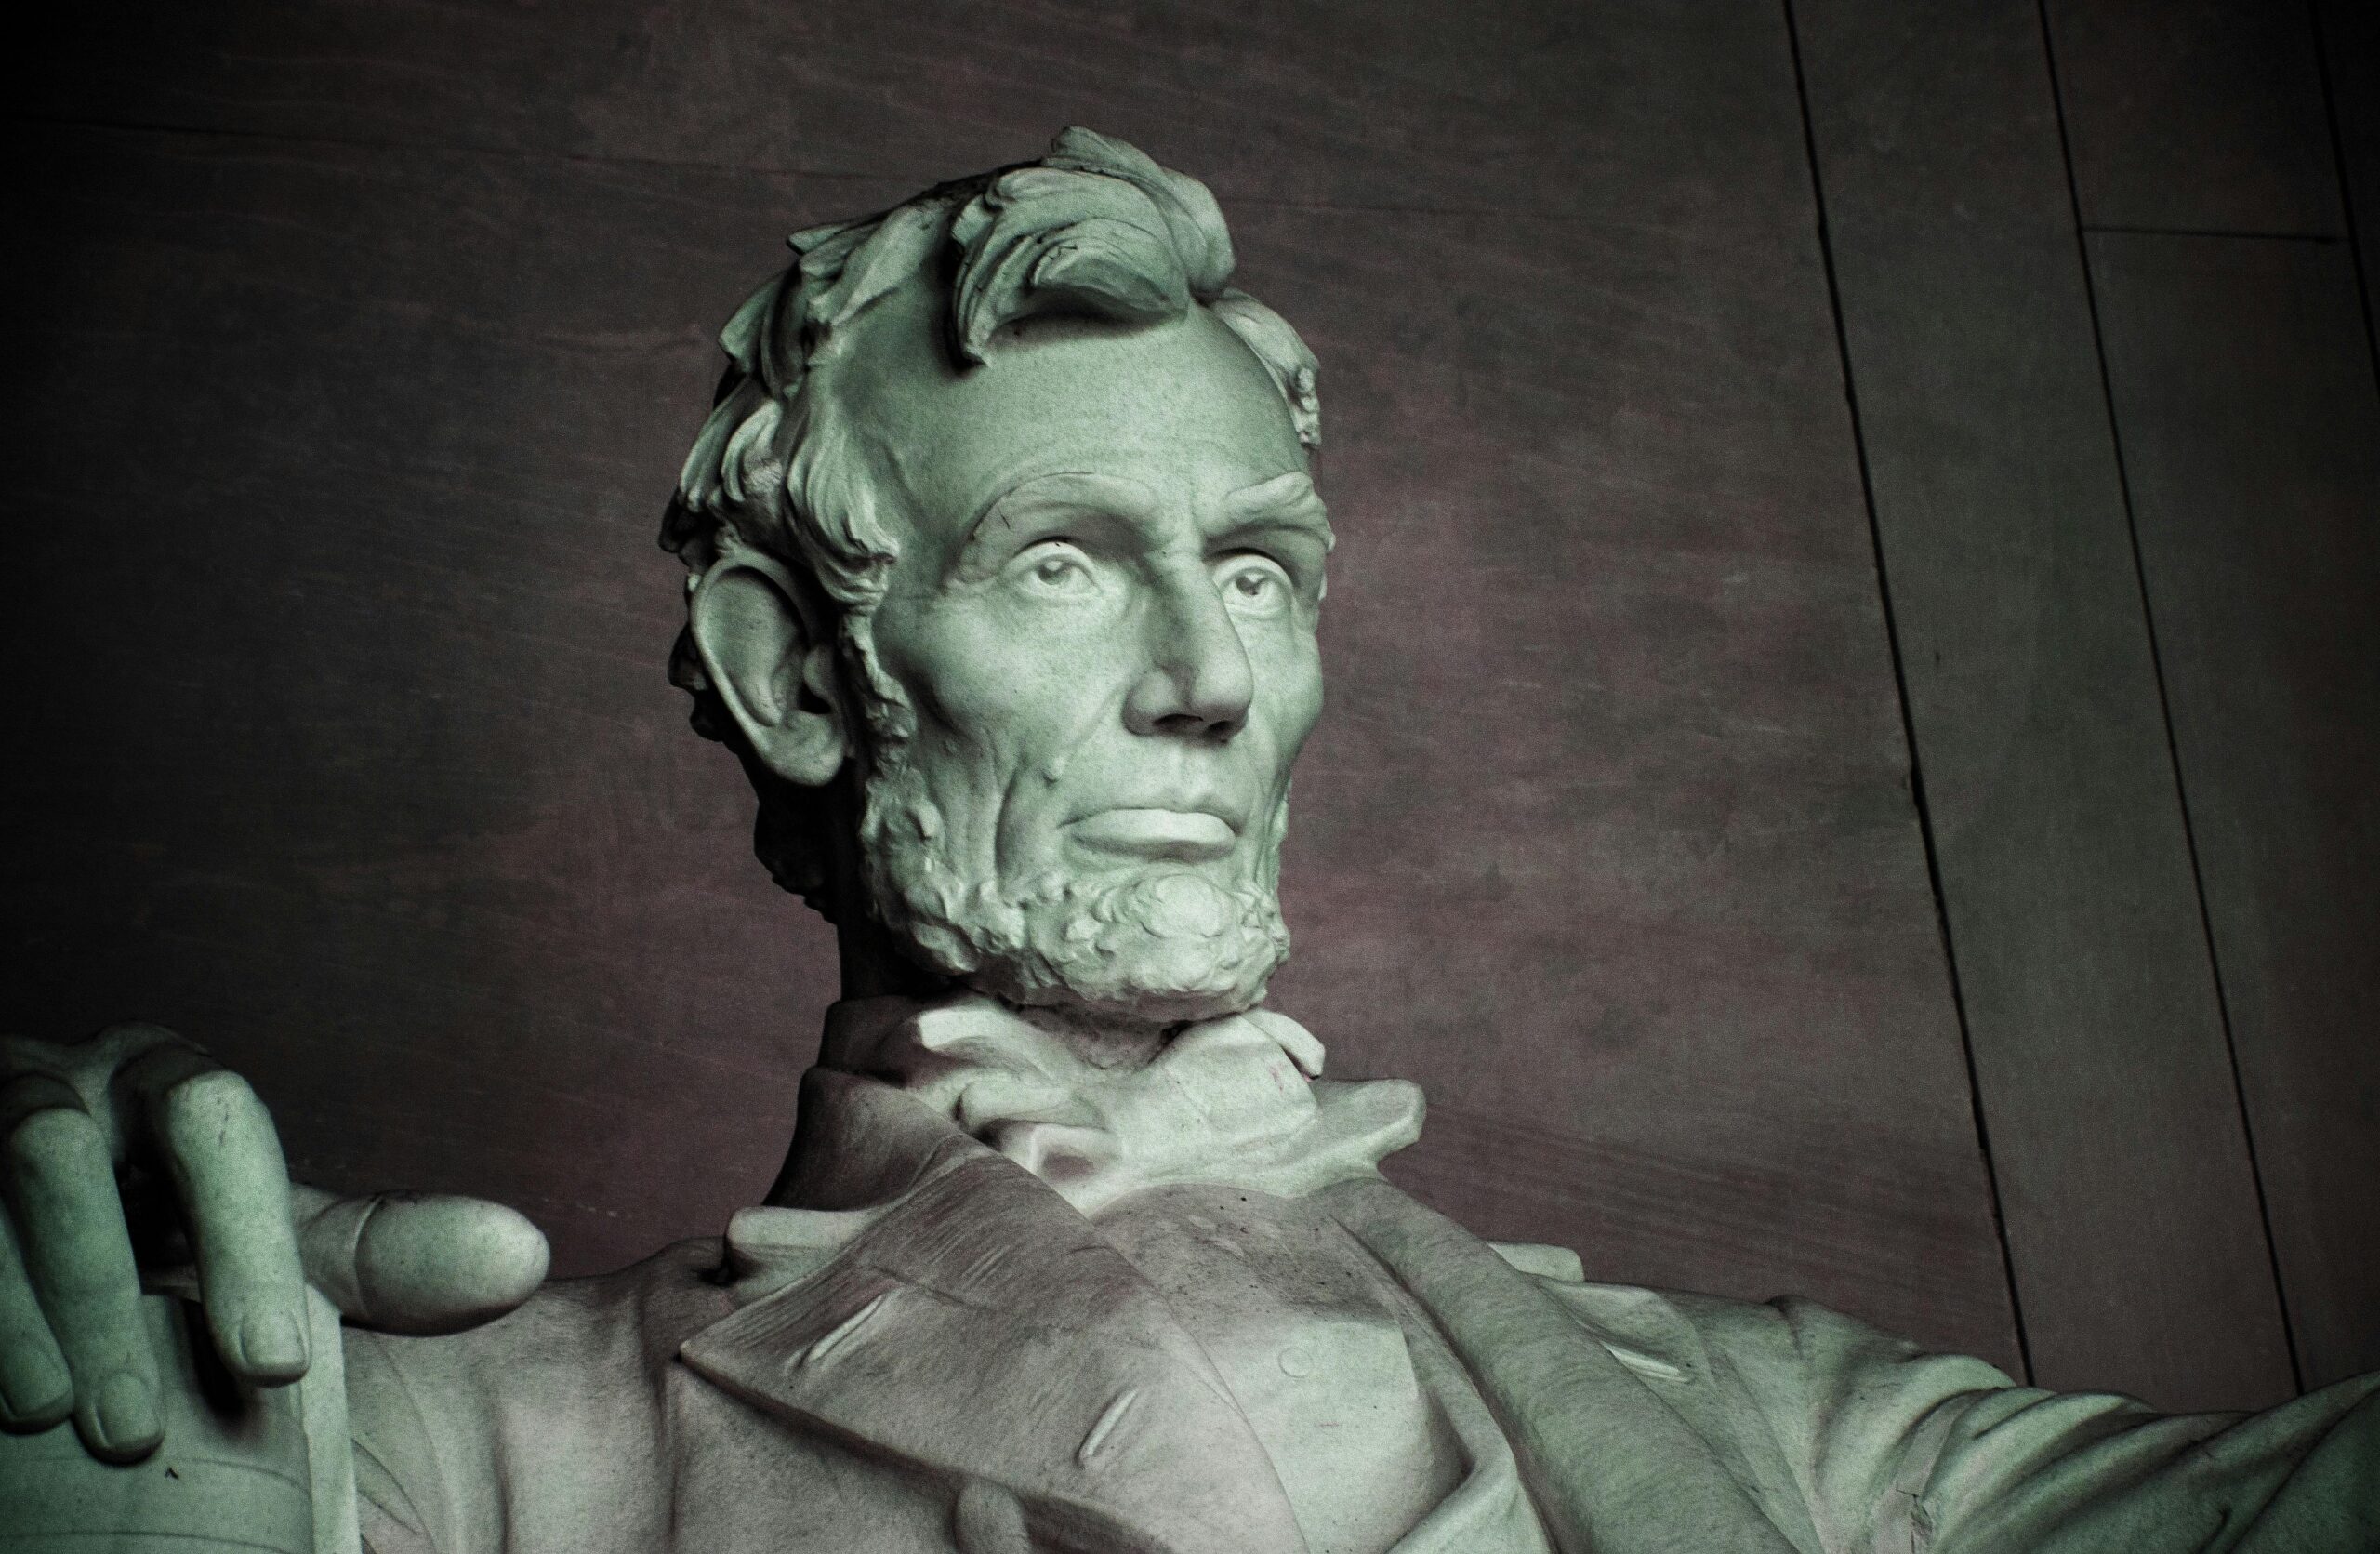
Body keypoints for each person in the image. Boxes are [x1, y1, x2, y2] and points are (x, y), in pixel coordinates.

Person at [1, 128, 2373, 1554]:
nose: (1212, 676)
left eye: (1255, 567)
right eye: (1063, 559)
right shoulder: (437, 1444)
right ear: (795, 671)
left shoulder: (1749, 1413)